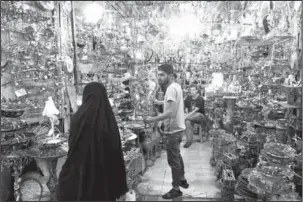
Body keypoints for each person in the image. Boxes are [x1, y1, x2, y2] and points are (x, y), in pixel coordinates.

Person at [58, 82, 128, 201]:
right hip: (104, 175)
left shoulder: (78, 117)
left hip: (80, 172)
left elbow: (72, 143)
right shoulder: (108, 118)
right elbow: (115, 147)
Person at [144, 64, 188, 199]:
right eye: (158, 75)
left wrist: (152, 120)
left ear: (170, 75)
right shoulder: (176, 86)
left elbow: (170, 112)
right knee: (177, 155)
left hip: (173, 131)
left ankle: (176, 189)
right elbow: (171, 104)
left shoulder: (170, 89)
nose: (159, 77)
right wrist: (159, 101)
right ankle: (182, 179)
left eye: (162, 75)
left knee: (173, 160)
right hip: (178, 128)